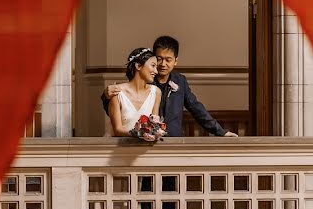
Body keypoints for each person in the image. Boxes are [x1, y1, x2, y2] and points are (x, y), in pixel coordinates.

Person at [102, 35, 239, 138]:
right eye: (159, 59)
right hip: (146, 143)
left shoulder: (180, 81)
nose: (162, 64)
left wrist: (221, 131)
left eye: (168, 60)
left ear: (175, 61)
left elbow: (196, 108)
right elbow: (123, 107)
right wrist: (106, 96)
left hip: (174, 141)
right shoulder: (145, 79)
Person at [106, 47, 162, 138]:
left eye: (156, 67)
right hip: (121, 148)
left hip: (146, 147)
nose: (156, 71)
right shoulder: (117, 92)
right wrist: (140, 134)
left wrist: (156, 131)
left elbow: (154, 125)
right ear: (138, 66)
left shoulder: (156, 92)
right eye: (153, 66)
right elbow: (117, 130)